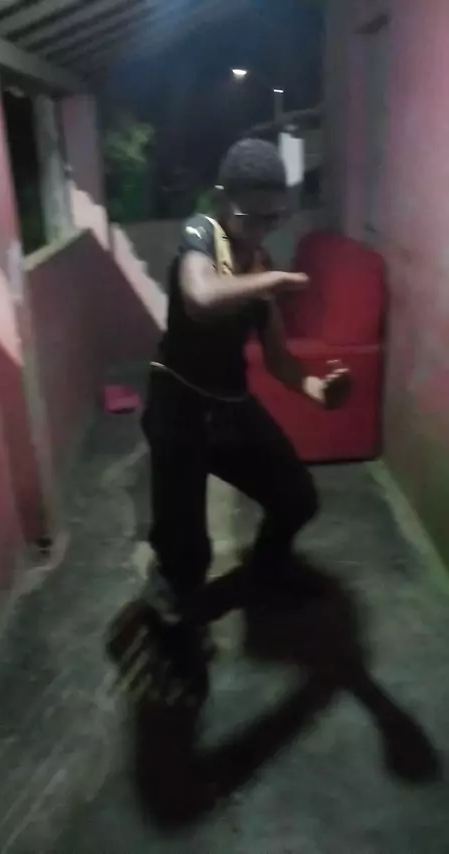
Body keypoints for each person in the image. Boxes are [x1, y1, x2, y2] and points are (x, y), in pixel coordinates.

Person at [108, 139, 351, 705]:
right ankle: (172, 624)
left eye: (274, 217)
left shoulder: (258, 263)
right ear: (224, 200)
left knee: (297, 499)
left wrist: (322, 392)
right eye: (254, 215)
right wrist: (269, 283)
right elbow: (199, 297)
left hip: (230, 406)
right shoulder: (202, 233)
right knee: (185, 551)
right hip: (178, 407)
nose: (262, 229)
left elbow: (281, 361)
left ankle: (266, 570)